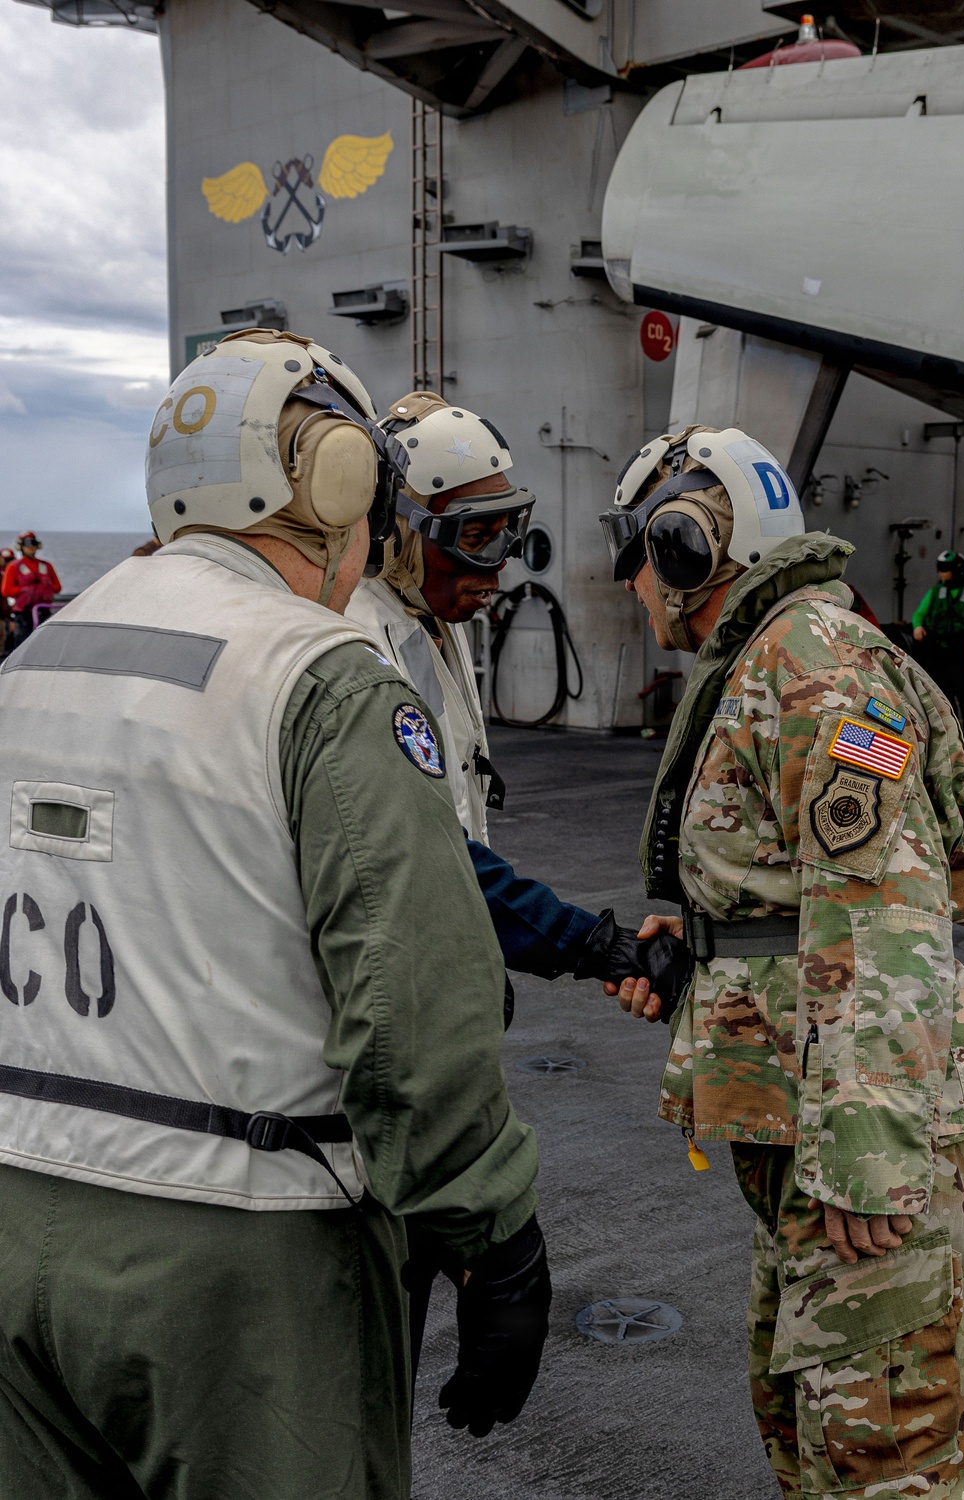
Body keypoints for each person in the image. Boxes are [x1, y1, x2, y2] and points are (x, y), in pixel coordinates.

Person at [0, 329, 552, 1500]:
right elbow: (410, 1007)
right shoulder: (322, 678)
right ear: (337, 479)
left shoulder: (35, 663)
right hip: (240, 1253)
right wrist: (492, 1236)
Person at [599, 424, 964, 1499]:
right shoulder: (768, 659)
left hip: (866, 1122)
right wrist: (706, 950)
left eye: (638, 549)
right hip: (805, 1111)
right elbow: (797, 889)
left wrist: (868, 1151)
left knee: (896, 1458)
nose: (630, 580)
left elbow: (887, 912)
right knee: (815, 1435)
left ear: (689, 543)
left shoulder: (815, 667)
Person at [349, 390, 689, 1381]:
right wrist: (595, 945)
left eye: (507, 534)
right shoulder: (362, 645)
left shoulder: (426, 620)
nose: (493, 569)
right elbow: (437, 862)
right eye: (471, 538)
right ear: (398, 532)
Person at [912, 549, 964, 750]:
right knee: (943, 697)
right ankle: (949, 736)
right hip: (939, 654)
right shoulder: (937, 591)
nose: (941, 574)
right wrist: (917, 626)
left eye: (945, 570)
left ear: (958, 570)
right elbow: (919, 614)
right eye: (940, 569)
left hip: (962, 653)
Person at [1, 531, 61, 647]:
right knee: (23, 642)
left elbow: (57, 587)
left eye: (33, 543)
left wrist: (44, 589)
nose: (31, 547)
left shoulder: (46, 566)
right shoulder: (14, 567)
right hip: (23, 614)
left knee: (46, 642)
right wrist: (25, 590)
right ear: (21, 546)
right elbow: (6, 590)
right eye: (27, 544)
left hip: (44, 611)